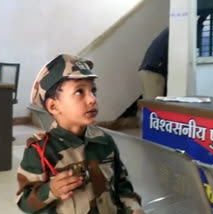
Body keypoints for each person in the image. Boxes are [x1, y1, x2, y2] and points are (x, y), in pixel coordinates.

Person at [16, 54, 144, 214]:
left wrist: (133, 208)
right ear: (54, 106)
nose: (92, 99)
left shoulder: (104, 141)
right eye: (79, 92)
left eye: (93, 91)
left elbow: (121, 183)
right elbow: (24, 202)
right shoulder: (40, 150)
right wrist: (51, 191)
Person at [138, 27, 169, 99]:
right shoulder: (179, 29)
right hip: (153, 70)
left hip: (150, 68)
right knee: (154, 107)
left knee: (152, 106)